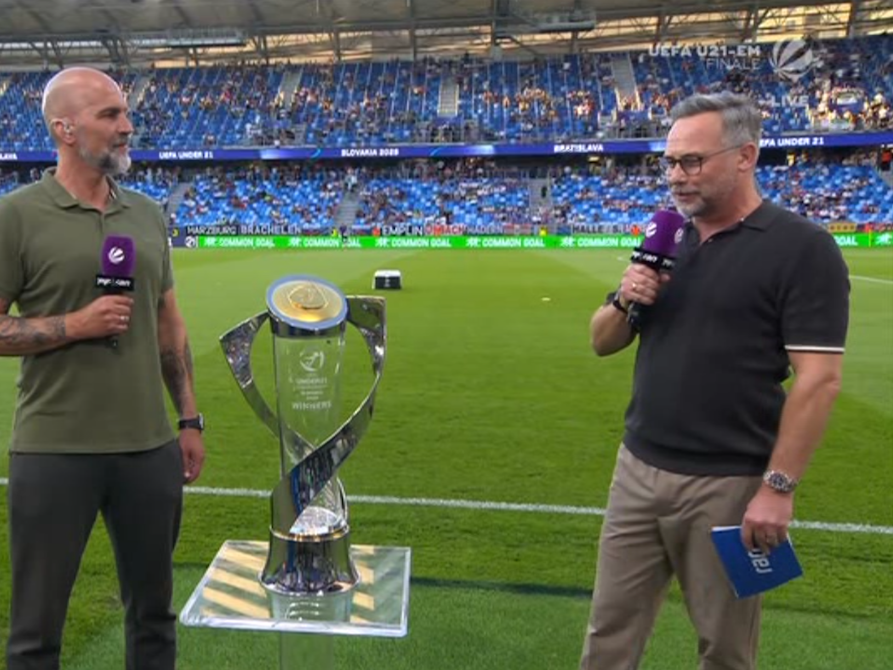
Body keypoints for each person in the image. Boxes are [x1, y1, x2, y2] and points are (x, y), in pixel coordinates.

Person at [579, 91, 849, 670]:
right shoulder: (667, 238)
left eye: (692, 162)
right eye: (670, 162)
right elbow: (602, 341)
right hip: (637, 471)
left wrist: (778, 488)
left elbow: (819, 381)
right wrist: (628, 297)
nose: (676, 177)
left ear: (746, 156)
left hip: (728, 484)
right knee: (608, 636)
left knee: (725, 649)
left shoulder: (802, 249)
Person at [0, 67, 206, 670]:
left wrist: (189, 418)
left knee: (154, 618)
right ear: (64, 129)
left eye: (125, 113)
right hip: (54, 449)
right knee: (36, 630)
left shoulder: (146, 213)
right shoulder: (16, 216)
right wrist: (75, 324)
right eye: (110, 116)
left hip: (149, 450)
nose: (127, 126)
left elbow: (170, 323)